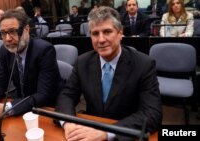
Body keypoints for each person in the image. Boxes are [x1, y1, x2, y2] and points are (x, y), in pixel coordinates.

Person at [55, 6, 162, 141]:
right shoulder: (82, 62)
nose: (101, 39)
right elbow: (67, 95)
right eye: (95, 33)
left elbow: (152, 113)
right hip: (89, 130)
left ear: (120, 33)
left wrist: (106, 133)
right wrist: (67, 122)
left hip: (125, 133)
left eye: (107, 31)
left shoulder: (144, 64)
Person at [0, 9, 63, 122]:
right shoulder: (5, 50)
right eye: (3, 33)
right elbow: (0, 82)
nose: (8, 39)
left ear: (26, 30)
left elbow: (43, 95)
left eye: (13, 31)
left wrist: (7, 108)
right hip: (21, 104)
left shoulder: (44, 50)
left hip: (46, 107)